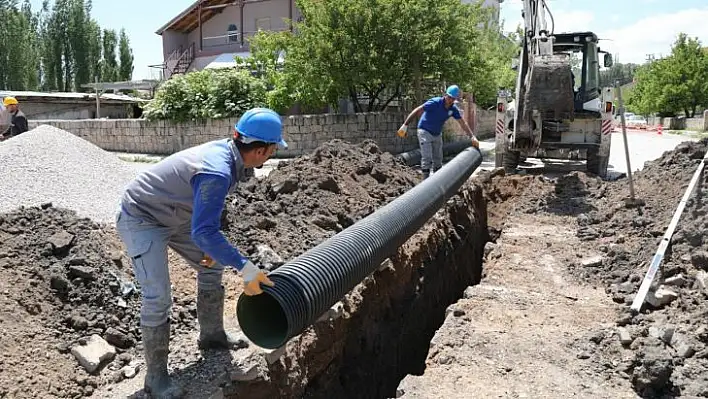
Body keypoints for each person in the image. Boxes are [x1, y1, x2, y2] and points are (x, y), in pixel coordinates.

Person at [115, 107, 285, 398]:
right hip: (142, 219)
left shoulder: (231, 157)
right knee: (158, 297)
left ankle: (211, 336)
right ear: (260, 150)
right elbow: (204, 233)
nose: (273, 154)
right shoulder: (217, 170)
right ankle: (155, 378)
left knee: (212, 264)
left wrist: (216, 251)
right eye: (272, 149)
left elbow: (209, 219)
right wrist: (246, 269)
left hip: (176, 216)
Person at [398, 85, 479, 178]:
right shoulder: (435, 102)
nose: (450, 100)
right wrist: (405, 125)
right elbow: (417, 110)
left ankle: (437, 181)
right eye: (449, 97)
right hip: (424, 131)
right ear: (445, 95)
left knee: (438, 158)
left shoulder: (453, 109)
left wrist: (472, 136)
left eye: (453, 99)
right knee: (427, 157)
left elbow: (462, 123)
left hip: (437, 133)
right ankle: (425, 181)